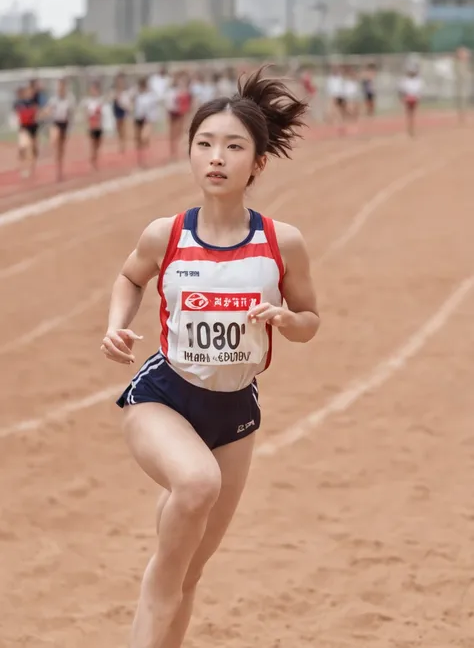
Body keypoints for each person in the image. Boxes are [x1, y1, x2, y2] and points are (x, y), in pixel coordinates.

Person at [101, 66, 320, 648]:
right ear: (191, 154)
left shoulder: (282, 241)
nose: (216, 157)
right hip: (164, 397)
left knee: (189, 573)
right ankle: (158, 595)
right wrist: (116, 326)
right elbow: (130, 276)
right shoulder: (166, 234)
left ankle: (162, 604)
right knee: (196, 488)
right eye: (204, 144)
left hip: (235, 415)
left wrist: (285, 320)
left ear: (259, 163)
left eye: (233, 146)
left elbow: (310, 323)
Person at [45, 78, 76, 181]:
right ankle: (51, 145)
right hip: (56, 123)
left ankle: (59, 170)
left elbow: (71, 115)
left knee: (61, 149)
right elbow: (48, 109)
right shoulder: (54, 99)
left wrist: (70, 129)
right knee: (55, 138)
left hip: (65, 124)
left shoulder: (70, 99)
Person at [399, 66, 424, 137]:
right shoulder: (405, 80)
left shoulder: (417, 80)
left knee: (412, 113)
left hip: (414, 98)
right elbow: (402, 90)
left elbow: (419, 90)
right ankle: (410, 127)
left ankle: (411, 127)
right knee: (409, 113)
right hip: (408, 97)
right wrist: (402, 97)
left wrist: (418, 96)